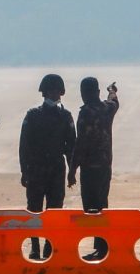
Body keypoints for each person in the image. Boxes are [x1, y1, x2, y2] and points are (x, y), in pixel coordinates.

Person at [19, 73, 76, 260]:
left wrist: (72, 171)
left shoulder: (65, 116)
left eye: (56, 90)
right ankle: (35, 247)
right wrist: (24, 171)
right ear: (44, 93)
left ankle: (49, 247)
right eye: (50, 90)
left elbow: (71, 146)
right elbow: (24, 146)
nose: (54, 94)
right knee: (34, 210)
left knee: (54, 211)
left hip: (56, 169)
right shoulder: (33, 115)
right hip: (36, 168)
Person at [69, 77, 119, 260]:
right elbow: (114, 101)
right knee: (102, 204)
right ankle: (102, 246)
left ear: (84, 93)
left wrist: (72, 169)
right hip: (105, 166)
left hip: (90, 167)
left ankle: (101, 247)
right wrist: (112, 90)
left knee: (91, 208)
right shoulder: (107, 108)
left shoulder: (86, 113)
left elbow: (80, 143)